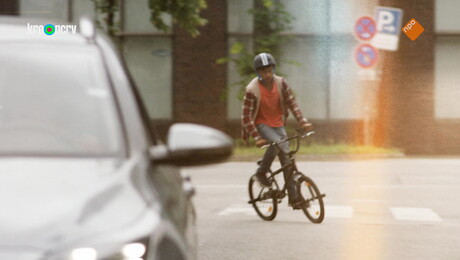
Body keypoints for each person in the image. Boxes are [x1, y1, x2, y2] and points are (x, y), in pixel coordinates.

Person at [241, 52, 312, 208]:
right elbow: (246, 117)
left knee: (287, 158)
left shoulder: (281, 83)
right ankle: (261, 172)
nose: (267, 74)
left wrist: (303, 121)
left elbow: (292, 103)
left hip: (278, 124)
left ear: (273, 69)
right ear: (258, 72)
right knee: (278, 144)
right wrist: (256, 137)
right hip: (261, 124)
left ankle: (294, 198)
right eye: (263, 71)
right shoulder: (252, 90)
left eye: (270, 70)